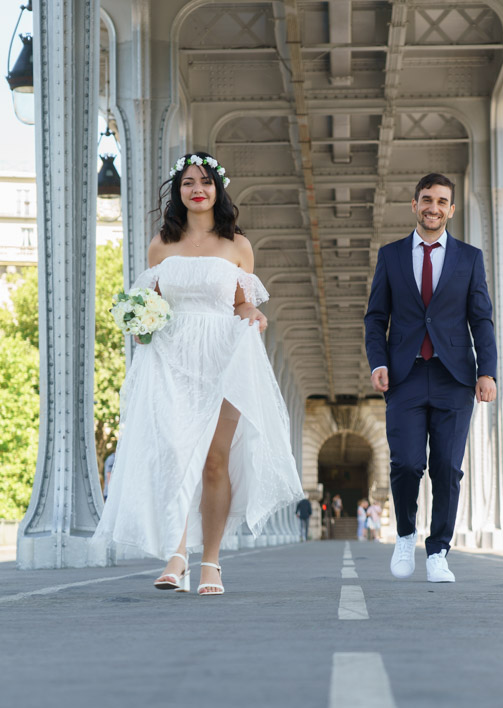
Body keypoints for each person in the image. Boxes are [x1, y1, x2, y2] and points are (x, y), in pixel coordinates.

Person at [93, 152, 305, 595]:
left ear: (218, 190)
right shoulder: (160, 245)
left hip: (223, 355)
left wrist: (254, 316)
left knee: (213, 461)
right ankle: (176, 556)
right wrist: (139, 325)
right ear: (178, 191)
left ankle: (210, 562)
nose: (197, 190)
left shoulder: (237, 245)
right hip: (171, 356)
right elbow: (149, 302)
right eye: (189, 182)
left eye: (205, 182)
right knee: (172, 453)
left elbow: (241, 302)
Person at [364, 172, 497, 583]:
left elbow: (482, 319)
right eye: (426, 199)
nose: (433, 207)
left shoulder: (469, 258)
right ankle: (406, 535)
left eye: (441, 201)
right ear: (414, 204)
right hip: (403, 377)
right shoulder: (391, 255)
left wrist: (487, 371)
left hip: (454, 378)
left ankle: (438, 550)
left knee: (447, 468)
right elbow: (376, 317)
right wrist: (378, 362)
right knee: (406, 463)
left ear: (451, 209)